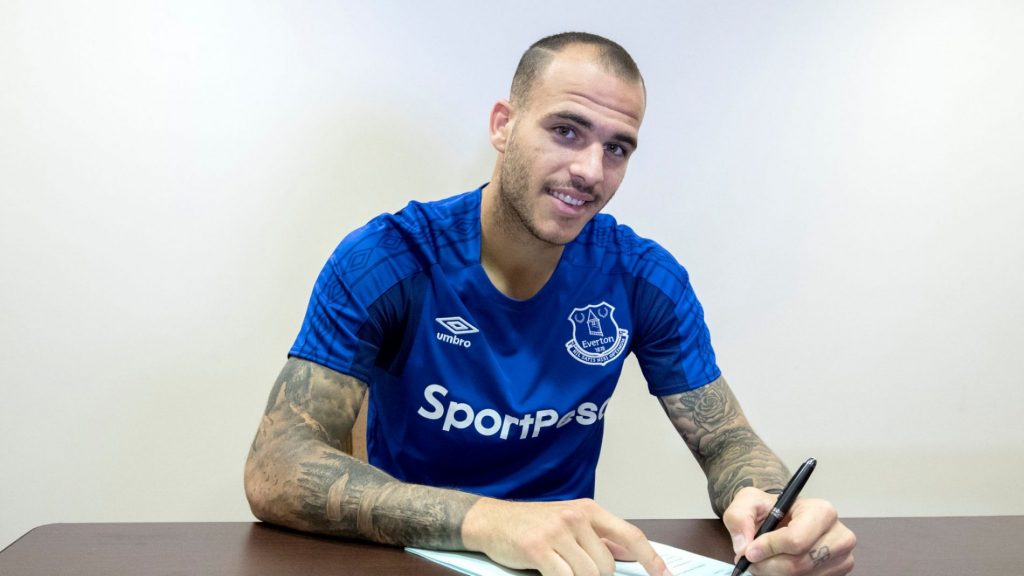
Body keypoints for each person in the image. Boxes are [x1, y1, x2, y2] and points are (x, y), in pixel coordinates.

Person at [244, 32, 856, 576]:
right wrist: (490, 521)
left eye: (617, 149)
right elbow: (278, 467)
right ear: (503, 125)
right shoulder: (388, 258)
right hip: (410, 558)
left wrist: (765, 502)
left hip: (568, 566)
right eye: (566, 131)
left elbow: (725, 441)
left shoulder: (644, 278)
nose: (590, 170)